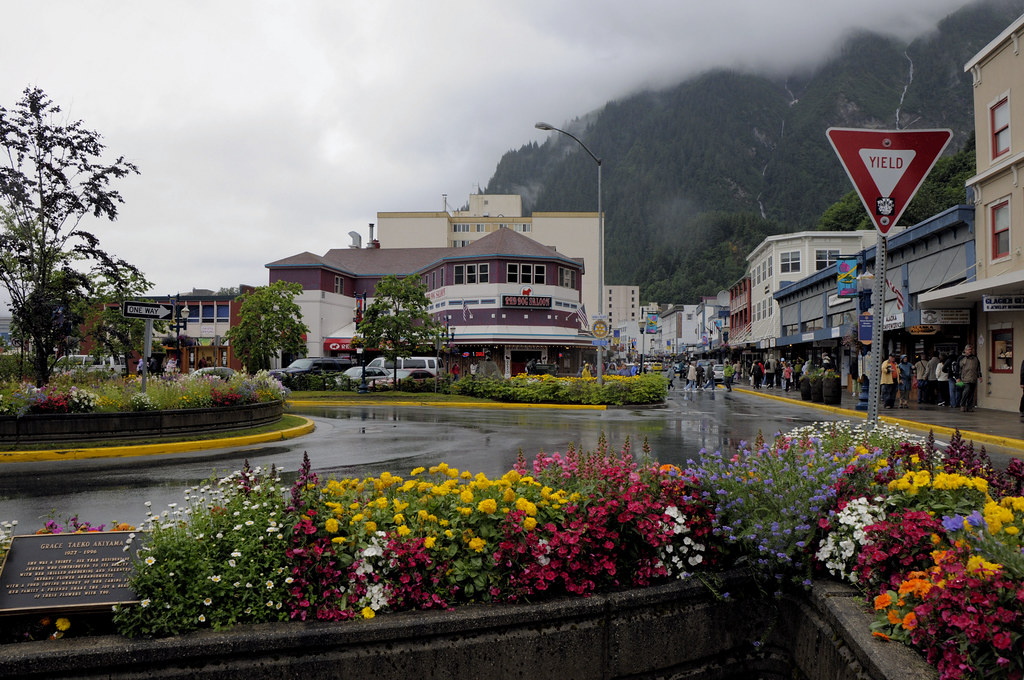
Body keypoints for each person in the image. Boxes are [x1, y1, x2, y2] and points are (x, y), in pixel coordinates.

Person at [958, 344, 982, 412]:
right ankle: (962, 404)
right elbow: (958, 368)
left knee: (971, 393)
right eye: (968, 350)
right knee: (966, 390)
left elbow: (978, 367)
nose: (970, 351)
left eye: (971, 350)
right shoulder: (961, 358)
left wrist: (980, 376)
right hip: (965, 378)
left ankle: (969, 406)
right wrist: (958, 377)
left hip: (973, 377)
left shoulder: (975, 358)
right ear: (965, 350)